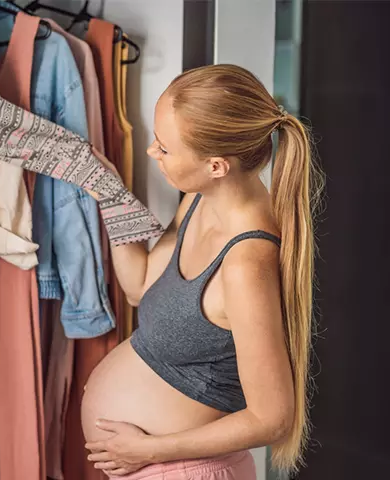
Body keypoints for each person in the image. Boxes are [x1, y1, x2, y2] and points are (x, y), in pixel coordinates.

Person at [81, 64, 324, 479]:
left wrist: (148, 450)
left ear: (216, 165)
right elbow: (140, 287)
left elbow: (273, 418)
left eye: (165, 148)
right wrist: (109, 195)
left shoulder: (246, 264)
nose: (151, 153)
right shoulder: (199, 200)